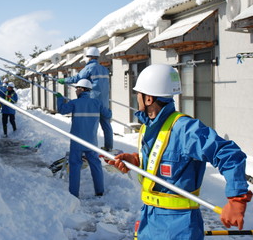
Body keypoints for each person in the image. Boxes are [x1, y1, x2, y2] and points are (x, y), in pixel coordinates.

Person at [108, 64, 252, 239]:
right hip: (149, 219)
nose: (136, 98)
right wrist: (136, 160)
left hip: (179, 227)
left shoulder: (186, 129)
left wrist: (237, 199)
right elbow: (164, 160)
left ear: (148, 99)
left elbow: (229, 154)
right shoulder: (148, 128)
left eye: (138, 94)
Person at [56, 79, 112, 197]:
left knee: (75, 165)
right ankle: (99, 191)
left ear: (81, 89)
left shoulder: (74, 103)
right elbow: (108, 115)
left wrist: (60, 98)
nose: (76, 91)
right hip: (91, 141)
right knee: (95, 165)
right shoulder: (97, 103)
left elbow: (62, 110)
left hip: (77, 141)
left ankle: (74, 194)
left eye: (77, 88)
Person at [57, 47, 113, 152]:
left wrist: (64, 80)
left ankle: (86, 148)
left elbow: (77, 78)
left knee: (88, 125)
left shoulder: (89, 68)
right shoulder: (104, 69)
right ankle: (108, 147)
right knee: (106, 124)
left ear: (88, 57)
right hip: (104, 101)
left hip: (92, 101)